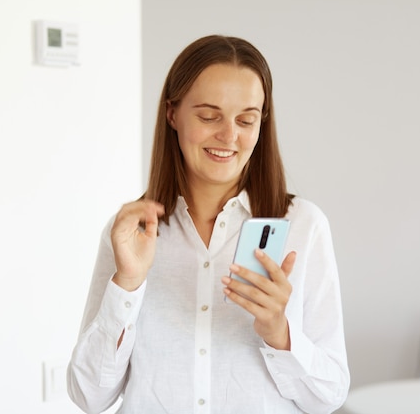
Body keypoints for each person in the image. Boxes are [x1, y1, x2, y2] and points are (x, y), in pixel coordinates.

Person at [67, 35, 350, 414]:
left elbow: (329, 396)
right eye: (209, 116)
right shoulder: (131, 233)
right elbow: (89, 396)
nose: (229, 136)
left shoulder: (303, 225)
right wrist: (127, 285)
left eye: (246, 120)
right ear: (173, 114)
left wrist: (279, 333)